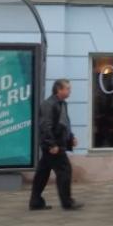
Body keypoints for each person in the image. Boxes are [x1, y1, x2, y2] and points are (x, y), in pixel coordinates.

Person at [29, 79, 82, 211]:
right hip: (53, 146)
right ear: (59, 90)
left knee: (42, 172)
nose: (70, 91)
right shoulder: (49, 104)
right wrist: (51, 144)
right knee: (65, 170)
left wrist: (71, 138)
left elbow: (64, 123)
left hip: (56, 144)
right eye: (67, 88)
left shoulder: (62, 103)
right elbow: (45, 125)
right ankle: (67, 202)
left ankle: (35, 201)